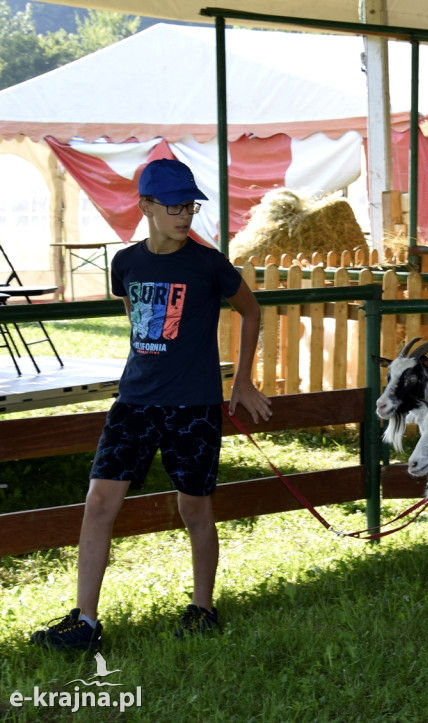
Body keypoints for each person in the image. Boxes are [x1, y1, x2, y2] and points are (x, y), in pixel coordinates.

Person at [30, 159, 273, 650]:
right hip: (135, 403)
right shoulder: (126, 263)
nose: (185, 214)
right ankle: (86, 622)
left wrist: (242, 379)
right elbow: (137, 325)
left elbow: (251, 310)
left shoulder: (208, 264)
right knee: (99, 503)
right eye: (175, 205)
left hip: (194, 407)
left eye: (190, 205)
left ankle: (202, 609)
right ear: (145, 205)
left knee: (195, 509)